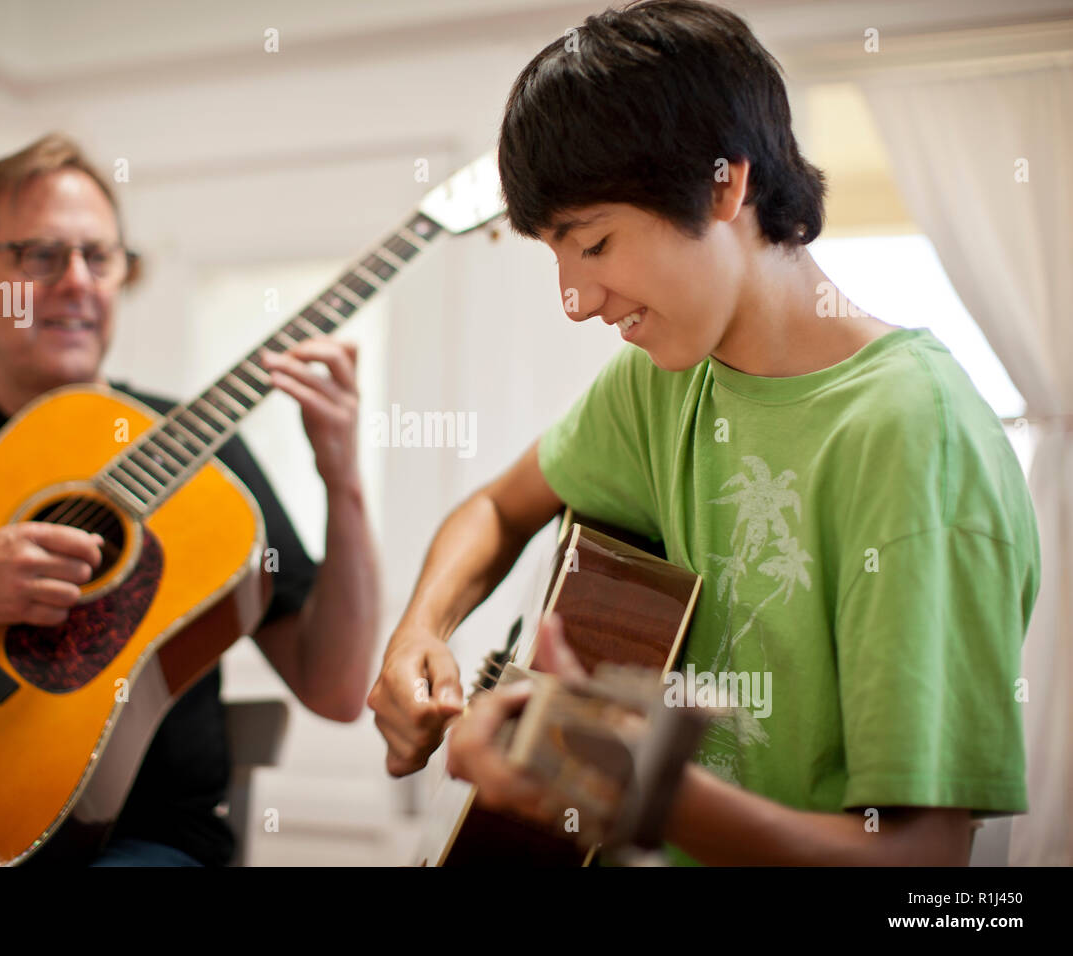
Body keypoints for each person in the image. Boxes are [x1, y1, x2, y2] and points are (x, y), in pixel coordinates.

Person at [368, 0, 1041, 865]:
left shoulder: (914, 436)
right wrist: (421, 629)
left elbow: (922, 867)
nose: (575, 301)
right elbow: (499, 509)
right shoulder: (658, 386)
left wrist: (647, 790)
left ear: (726, 183)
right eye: (557, 258)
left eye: (597, 244)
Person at [0, 133, 380, 867]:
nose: (78, 281)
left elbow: (337, 687)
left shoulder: (201, 453)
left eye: (101, 257)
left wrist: (342, 483)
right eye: (40, 255)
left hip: (136, 846)